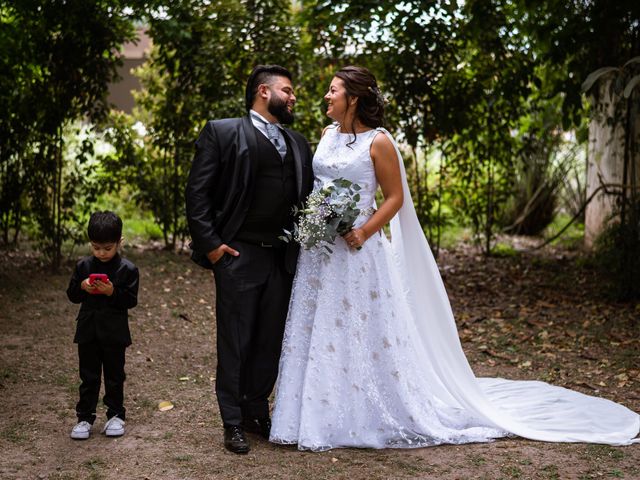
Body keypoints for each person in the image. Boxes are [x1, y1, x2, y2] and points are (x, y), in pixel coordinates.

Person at [270, 66, 640, 451]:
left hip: (359, 250)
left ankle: (367, 411)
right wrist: (316, 218)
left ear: (354, 98)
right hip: (322, 253)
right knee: (320, 329)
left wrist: (362, 229)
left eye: (333, 91)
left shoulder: (378, 142)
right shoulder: (328, 135)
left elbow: (395, 197)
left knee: (360, 329)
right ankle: (315, 413)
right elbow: (323, 187)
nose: (326, 97)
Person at [185, 65, 314, 454]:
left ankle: (257, 409)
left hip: (283, 258)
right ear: (264, 91)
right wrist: (211, 245)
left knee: (270, 339)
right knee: (236, 340)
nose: (293, 98)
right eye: (287, 91)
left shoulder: (298, 142)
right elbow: (198, 193)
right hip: (238, 255)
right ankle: (233, 420)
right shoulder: (222, 132)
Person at [66, 211, 139, 440]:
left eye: (107, 248)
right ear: (90, 243)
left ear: (119, 242)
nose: (101, 253)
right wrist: (83, 287)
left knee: (114, 375)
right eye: (96, 247)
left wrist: (112, 292)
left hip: (115, 332)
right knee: (88, 376)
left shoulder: (127, 269)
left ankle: (116, 415)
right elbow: (72, 295)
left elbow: (131, 300)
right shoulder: (83, 266)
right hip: (88, 330)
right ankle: (84, 417)